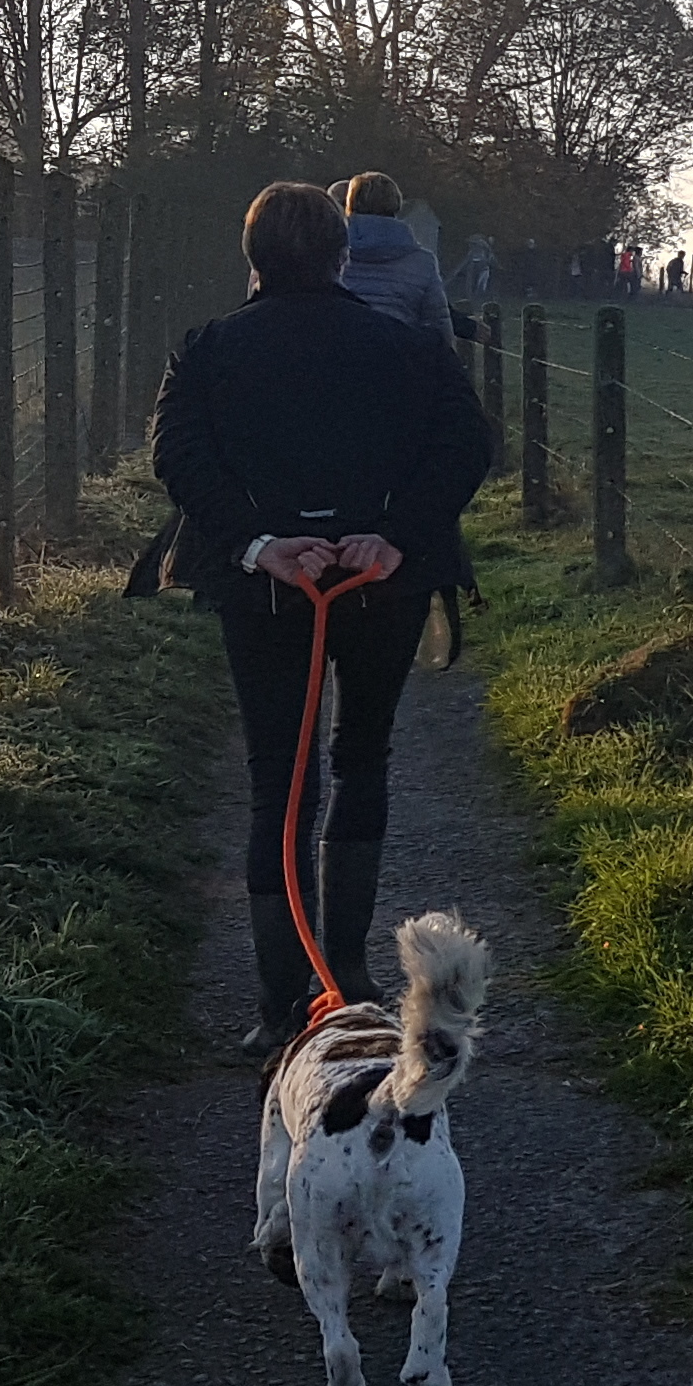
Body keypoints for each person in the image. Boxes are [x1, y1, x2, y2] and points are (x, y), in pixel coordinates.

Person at [155, 181, 494, 1053]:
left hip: (265, 585)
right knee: (362, 757)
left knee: (281, 775)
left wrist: (258, 542)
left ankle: (280, 1006)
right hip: (382, 582)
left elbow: (178, 453)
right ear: (343, 257)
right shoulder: (412, 351)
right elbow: (467, 444)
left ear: (254, 259)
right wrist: (392, 537)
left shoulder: (209, 349)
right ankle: (348, 978)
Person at [337, 171, 453, 341]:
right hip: (401, 357)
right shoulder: (422, 262)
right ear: (395, 203)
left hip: (341, 354)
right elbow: (438, 324)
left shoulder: (330, 255)